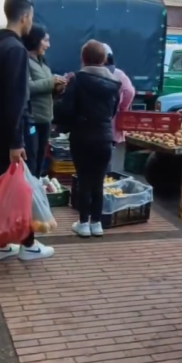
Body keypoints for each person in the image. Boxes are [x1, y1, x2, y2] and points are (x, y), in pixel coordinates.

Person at [0, 0, 54, 261]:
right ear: (24, 17)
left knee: (7, 186)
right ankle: (28, 245)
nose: (30, 23)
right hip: (16, 130)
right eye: (31, 18)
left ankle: (2, 243)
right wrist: (17, 141)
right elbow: (15, 98)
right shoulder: (15, 50)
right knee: (24, 187)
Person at [54, 40, 121, 238]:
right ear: (103, 59)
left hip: (82, 135)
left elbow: (66, 109)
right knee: (99, 180)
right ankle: (97, 223)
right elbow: (113, 111)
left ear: (83, 58)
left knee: (84, 179)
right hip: (104, 136)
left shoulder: (78, 80)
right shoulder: (113, 83)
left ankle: (83, 223)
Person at [23, 24, 66, 177]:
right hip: (32, 121)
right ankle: (30, 192)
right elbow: (27, 88)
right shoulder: (25, 61)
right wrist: (51, 82)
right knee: (32, 156)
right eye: (45, 41)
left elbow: (47, 90)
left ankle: (36, 187)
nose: (48, 45)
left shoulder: (43, 63)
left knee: (41, 156)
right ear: (35, 40)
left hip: (45, 119)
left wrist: (57, 88)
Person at [103, 43, 136, 149]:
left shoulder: (87, 74)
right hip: (112, 126)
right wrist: (122, 108)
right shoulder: (118, 74)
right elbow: (129, 91)